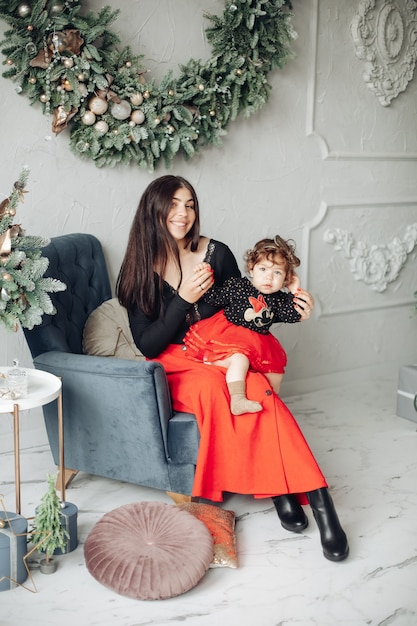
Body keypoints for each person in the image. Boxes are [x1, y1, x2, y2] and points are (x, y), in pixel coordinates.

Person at [116, 175, 349, 562]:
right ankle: (279, 489)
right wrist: (185, 300)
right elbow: (149, 344)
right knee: (214, 389)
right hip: (176, 362)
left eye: (189, 203)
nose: (183, 212)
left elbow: (248, 314)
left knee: (260, 392)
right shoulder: (138, 267)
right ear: (153, 209)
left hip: (224, 350)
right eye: (173, 204)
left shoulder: (216, 253)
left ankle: (320, 504)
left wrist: (290, 304)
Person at [183, 236, 303, 415]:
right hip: (229, 333)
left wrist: (295, 290)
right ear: (251, 269)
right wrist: (205, 274)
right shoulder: (238, 286)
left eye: (278, 273)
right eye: (263, 269)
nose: (269, 277)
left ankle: (271, 405)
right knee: (240, 359)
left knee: (275, 372)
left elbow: (293, 314)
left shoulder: (279, 299)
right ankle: (237, 399)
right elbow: (214, 297)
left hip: (258, 341)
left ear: (286, 278)